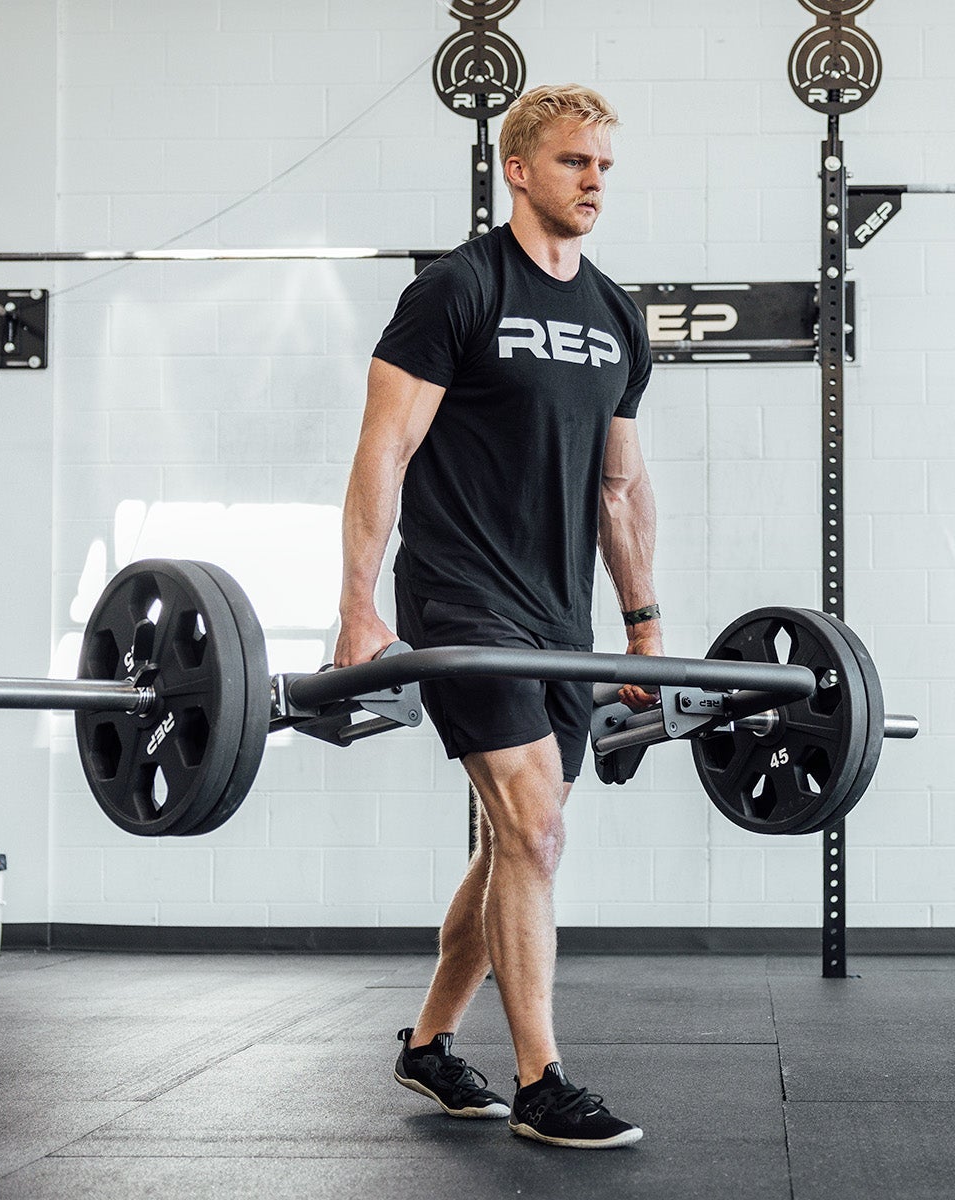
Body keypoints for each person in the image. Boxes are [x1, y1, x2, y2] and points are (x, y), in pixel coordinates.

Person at [334, 83, 656, 1150]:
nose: (595, 180)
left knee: (518, 843)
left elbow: (618, 489)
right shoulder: (456, 290)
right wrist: (359, 610)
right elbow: (385, 449)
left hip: (558, 614)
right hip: (461, 598)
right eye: (575, 162)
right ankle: (541, 1081)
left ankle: (428, 1047)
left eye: (605, 164)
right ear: (519, 169)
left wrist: (645, 632)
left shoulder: (617, 315)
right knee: (536, 827)